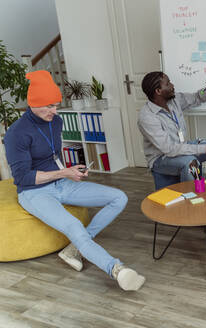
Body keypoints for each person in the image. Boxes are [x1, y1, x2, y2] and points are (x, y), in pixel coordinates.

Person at [4, 70, 145, 291]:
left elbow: (53, 156)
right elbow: (22, 176)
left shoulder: (55, 121)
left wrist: (71, 170)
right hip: (33, 192)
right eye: (49, 106)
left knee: (119, 197)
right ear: (33, 103)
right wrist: (63, 173)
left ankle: (75, 248)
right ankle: (117, 269)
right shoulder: (16, 134)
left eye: (56, 104)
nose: (55, 110)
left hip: (62, 183)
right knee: (74, 225)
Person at [138, 72, 206, 182]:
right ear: (158, 91)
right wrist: (203, 148)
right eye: (168, 84)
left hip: (181, 147)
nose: (172, 85)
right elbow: (169, 149)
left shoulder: (174, 99)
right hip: (161, 158)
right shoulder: (147, 117)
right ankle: (192, 197)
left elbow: (197, 96)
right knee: (191, 162)